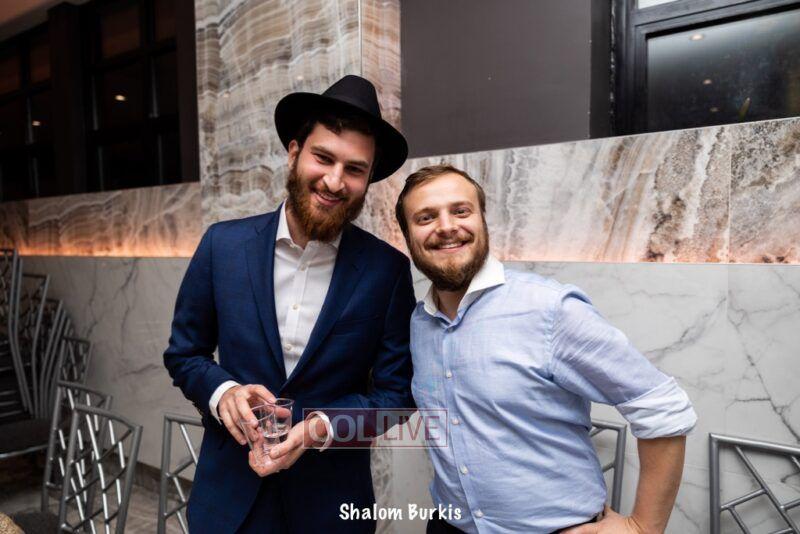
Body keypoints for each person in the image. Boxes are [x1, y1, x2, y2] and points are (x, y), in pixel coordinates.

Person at [164, 75, 415, 533]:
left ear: (368, 179)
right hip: (230, 503)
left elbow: (396, 397)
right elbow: (184, 354)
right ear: (294, 152)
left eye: (354, 169)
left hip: (333, 506)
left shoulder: (388, 270)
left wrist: (321, 427)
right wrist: (224, 393)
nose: (335, 181)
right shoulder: (222, 246)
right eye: (324, 157)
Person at [395, 164, 697, 534]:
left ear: (482, 221)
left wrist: (642, 527)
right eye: (425, 217)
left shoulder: (550, 308)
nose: (446, 226)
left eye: (461, 211)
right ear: (408, 236)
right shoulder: (418, 323)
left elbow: (661, 405)